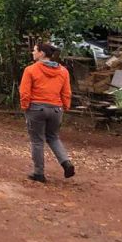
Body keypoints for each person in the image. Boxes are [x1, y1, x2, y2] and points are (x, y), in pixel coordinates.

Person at [19, 42, 75, 183]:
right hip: (56, 109)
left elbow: (25, 92)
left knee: (37, 141)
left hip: (36, 109)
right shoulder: (63, 71)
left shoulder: (30, 70)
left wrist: (25, 107)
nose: (32, 52)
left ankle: (39, 173)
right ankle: (66, 163)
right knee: (53, 137)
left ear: (42, 53)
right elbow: (66, 92)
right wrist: (65, 106)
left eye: (35, 50)